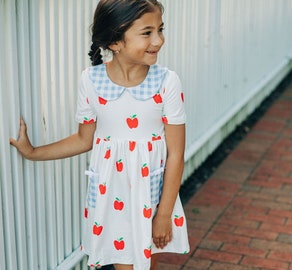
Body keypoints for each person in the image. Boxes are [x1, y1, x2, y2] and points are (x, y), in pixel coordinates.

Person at [9, 0, 190, 269]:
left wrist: (163, 213)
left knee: (140, 260)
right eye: (147, 32)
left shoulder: (167, 82)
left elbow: (176, 153)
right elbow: (84, 139)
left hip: (149, 190)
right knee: (123, 262)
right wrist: (34, 152)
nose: (159, 40)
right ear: (115, 42)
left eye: (160, 30)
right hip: (110, 191)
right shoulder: (91, 80)